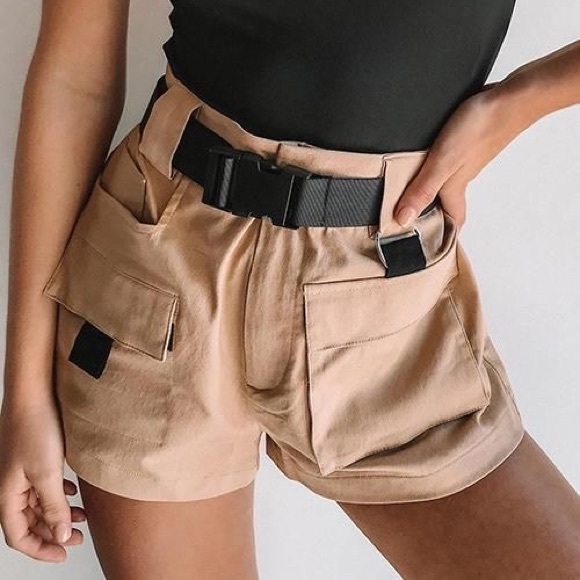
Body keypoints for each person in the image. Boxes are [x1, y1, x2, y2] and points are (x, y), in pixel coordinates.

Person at [1, 1, 579, 578]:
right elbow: (75, 76)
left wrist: (518, 102)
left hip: (385, 288)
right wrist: (23, 394)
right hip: (158, 265)